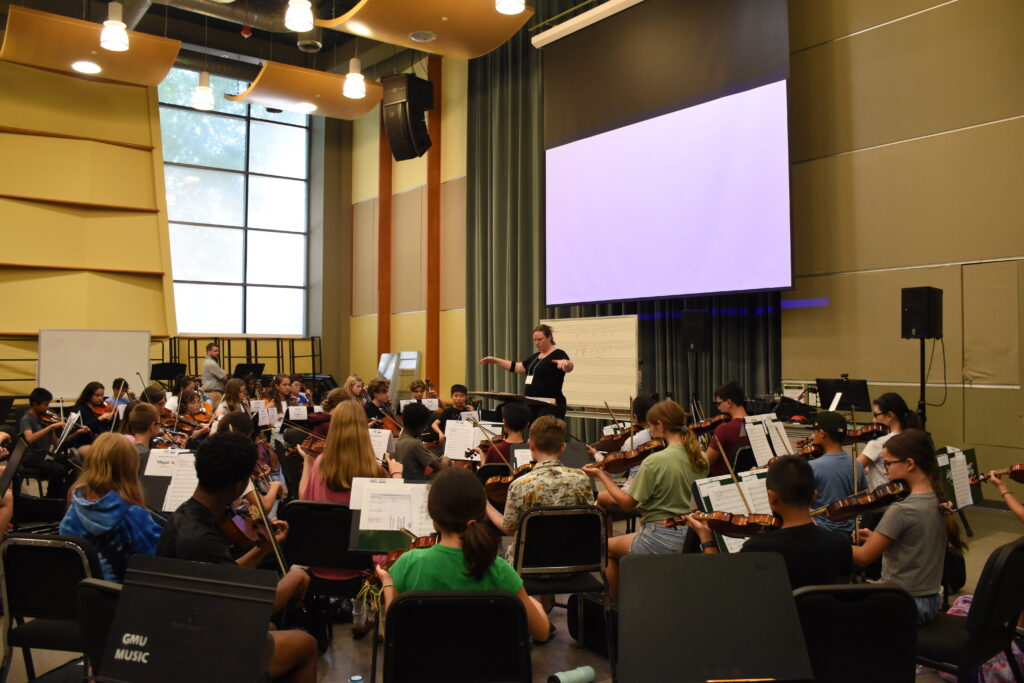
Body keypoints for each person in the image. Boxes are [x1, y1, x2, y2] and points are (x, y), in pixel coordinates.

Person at [157, 431, 317, 683]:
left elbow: (226, 575)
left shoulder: (186, 514)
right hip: (200, 647)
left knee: (273, 629)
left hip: (191, 624)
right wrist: (297, 574)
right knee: (305, 644)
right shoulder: (200, 539)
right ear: (237, 485)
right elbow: (254, 604)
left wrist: (263, 547)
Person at [375, 467, 552, 643]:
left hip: (424, 669)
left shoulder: (407, 564)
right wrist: (534, 604)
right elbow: (542, 632)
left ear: (433, 515)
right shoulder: (499, 569)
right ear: (480, 513)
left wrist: (388, 583)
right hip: (488, 670)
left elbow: (394, 631)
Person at [583, 399, 708, 598]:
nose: (650, 429)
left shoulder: (654, 461)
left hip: (660, 537)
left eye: (651, 425)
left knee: (604, 549)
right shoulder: (701, 457)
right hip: (692, 537)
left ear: (660, 426)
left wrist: (601, 475)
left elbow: (626, 504)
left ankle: (615, 609)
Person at [852, 429, 967, 625]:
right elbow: (916, 542)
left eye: (887, 463)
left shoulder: (901, 509)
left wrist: (831, 541)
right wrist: (877, 537)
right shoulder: (939, 500)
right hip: (930, 602)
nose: (885, 469)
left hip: (903, 605)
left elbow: (863, 558)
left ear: (909, 464)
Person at [686, 455, 853, 589]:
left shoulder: (758, 548)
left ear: (772, 497)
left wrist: (706, 539)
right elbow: (840, 589)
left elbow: (723, 584)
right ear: (814, 496)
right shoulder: (839, 543)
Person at [299, 400, 397, 585]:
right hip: (362, 566)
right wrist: (396, 475)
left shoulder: (321, 463)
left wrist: (307, 463)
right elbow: (389, 525)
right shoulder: (374, 471)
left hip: (321, 559)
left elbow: (305, 501)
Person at [59, 433, 161, 582]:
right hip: (126, 598)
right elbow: (156, 561)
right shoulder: (132, 514)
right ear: (130, 468)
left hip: (84, 597)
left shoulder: (73, 509)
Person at [486, 415, 592, 535]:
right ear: (563, 447)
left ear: (531, 444)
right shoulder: (582, 478)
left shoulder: (519, 485)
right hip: (574, 552)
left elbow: (510, 530)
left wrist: (486, 504)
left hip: (530, 553)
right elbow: (588, 519)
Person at [479, 323, 573, 418]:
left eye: (540, 339)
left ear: (549, 338)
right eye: (535, 340)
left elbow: (568, 366)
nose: (536, 342)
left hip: (551, 406)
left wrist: (566, 363)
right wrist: (496, 360)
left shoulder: (558, 354)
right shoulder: (536, 356)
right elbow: (518, 367)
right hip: (532, 404)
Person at [808, 411, 867, 536]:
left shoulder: (813, 466)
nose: (812, 436)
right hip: (850, 534)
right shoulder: (857, 464)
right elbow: (864, 500)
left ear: (823, 434)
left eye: (815, 432)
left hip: (822, 534)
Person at [19, 387, 82, 498]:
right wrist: (51, 427)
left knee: (72, 462)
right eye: (45, 404)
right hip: (32, 457)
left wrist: (75, 432)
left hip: (45, 455)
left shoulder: (45, 419)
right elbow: (29, 438)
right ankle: (52, 497)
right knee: (59, 469)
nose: (48, 408)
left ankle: (62, 494)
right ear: (35, 404)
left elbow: (56, 442)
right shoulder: (26, 419)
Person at [589, 394, 656, 493]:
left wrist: (596, 454)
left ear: (635, 417)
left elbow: (614, 472)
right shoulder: (664, 436)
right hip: (657, 491)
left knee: (601, 498)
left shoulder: (634, 441)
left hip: (634, 493)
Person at [858, 392, 920, 489]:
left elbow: (853, 469)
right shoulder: (913, 438)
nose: (874, 420)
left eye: (876, 415)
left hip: (885, 500)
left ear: (890, 415)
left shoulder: (879, 442)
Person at [704, 380, 750, 476]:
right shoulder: (755, 424)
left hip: (722, 482)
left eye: (719, 404)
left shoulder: (724, 429)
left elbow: (706, 462)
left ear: (729, 402)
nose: (718, 408)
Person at [395, 403, 449, 482]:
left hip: (400, 483)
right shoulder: (416, 444)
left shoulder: (395, 441)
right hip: (415, 486)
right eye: (424, 427)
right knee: (446, 474)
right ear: (420, 428)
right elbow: (441, 468)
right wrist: (445, 460)